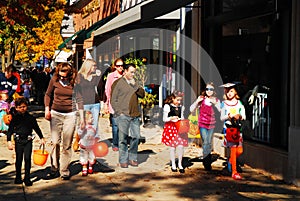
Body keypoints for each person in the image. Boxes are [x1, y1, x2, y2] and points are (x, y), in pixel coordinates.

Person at [44, 62, 84, 180]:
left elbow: (79, 99)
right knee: (55, 142)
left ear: (70, 74)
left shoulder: (75, 82)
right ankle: (54, 167)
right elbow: (48, 94)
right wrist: (47, 109)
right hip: (56, 113)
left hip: (70, 115)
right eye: (61, 75)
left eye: (65, 76)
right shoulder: (54, 80)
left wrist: (81, 117)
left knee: (67, 144)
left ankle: (64, 170)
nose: (62, 78)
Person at [111, 63, 145, 168]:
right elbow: (113, 99)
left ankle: (132, 158)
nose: (133, 74)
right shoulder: (117, 83)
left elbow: (142, 95)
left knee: (136, 137)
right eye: (131, 72)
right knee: (123, 139)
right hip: (123, 115)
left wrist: (135, 85)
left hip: (134, 114)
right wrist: (119, 112)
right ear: (125, 71)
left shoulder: (135, 83)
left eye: (134, 72)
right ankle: (123, 160)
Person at [7, 97, 45, 186]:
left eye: (24, 106)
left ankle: (27, 178)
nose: (22, 109)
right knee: (19, 159)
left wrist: (41, 137)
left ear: (26, 106)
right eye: (20, 107)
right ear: (16, 108)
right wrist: (9, 140)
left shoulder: (31, 118)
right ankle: (18, 176)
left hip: (28, 140)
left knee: (27, 159)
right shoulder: (15, 118)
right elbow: (10, 130)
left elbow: (36, 128)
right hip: (18, 141)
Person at [190, 82, 221, 171]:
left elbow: (221, 110)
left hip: (211, 124)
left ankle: (206, 159)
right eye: (207, 89)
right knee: (206, 141)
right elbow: (191, 109)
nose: (209, 91)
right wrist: (197, 102)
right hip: (202, 123)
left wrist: (215, 103)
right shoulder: (202, 99)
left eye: (211, 89)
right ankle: (207, 162)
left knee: (208, 142)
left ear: (214, 91)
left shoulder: (216, 100)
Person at [73, 59, 101, 151]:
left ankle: (92, 145)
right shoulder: (79, 76)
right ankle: (78, 139)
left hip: (95, 103)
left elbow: (101, 88)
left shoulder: (95, 76)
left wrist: (99, 76)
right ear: (88, 66)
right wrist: (77, 103)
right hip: (83, 103)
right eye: (94, 66)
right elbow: (76, 91)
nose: (95, 67)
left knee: (94, 125)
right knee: (82, 125)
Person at [220, 83, 246, 180]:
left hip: (238, 130)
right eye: (227, 91)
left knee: (239, 150)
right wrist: (229, 116)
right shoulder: (224, 104)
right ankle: (234, 172)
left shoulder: (239, 103)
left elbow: (244, 116)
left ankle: (230, 162)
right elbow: (221, 117)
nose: (229, 93)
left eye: (231, 91)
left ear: (235, 92)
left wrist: (239, 116)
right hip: (229, 129)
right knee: (233, 149)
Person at [162, 91, 188, 173]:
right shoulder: (167, 106)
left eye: (180, 100)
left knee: (180, 146)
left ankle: (180, 164)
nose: (179, 102)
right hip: (171, 128)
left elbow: (182, 116)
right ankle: (173, 164)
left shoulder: (181, 107)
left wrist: (181, 120)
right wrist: (171, 118)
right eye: (177, 100)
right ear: (172, 98)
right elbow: (164, 119)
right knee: (172, 147)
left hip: (179, 127)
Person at [105, 58, 124, 151]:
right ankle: (116, 143)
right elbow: (108, 90)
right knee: (115, 126)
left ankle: (122, 143)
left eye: (121, 65)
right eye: (118, 66)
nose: (120, 67)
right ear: (115, 67)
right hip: (114, 103)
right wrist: (107, 104)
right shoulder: (111, 76)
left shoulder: (126, 75)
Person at [77, 110, 99, 176]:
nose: (92, 119)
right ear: (85, 119)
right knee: (84, 157)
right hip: (84, 145)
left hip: (92, 145)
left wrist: (96, 139)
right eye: (91, 118)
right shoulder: (82, 127)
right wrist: (81, 129)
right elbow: (79, 134)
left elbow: (96, 134)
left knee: (92, 157)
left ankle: (90, 166)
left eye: (92, 117)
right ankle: (84, 168)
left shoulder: (94, 126)